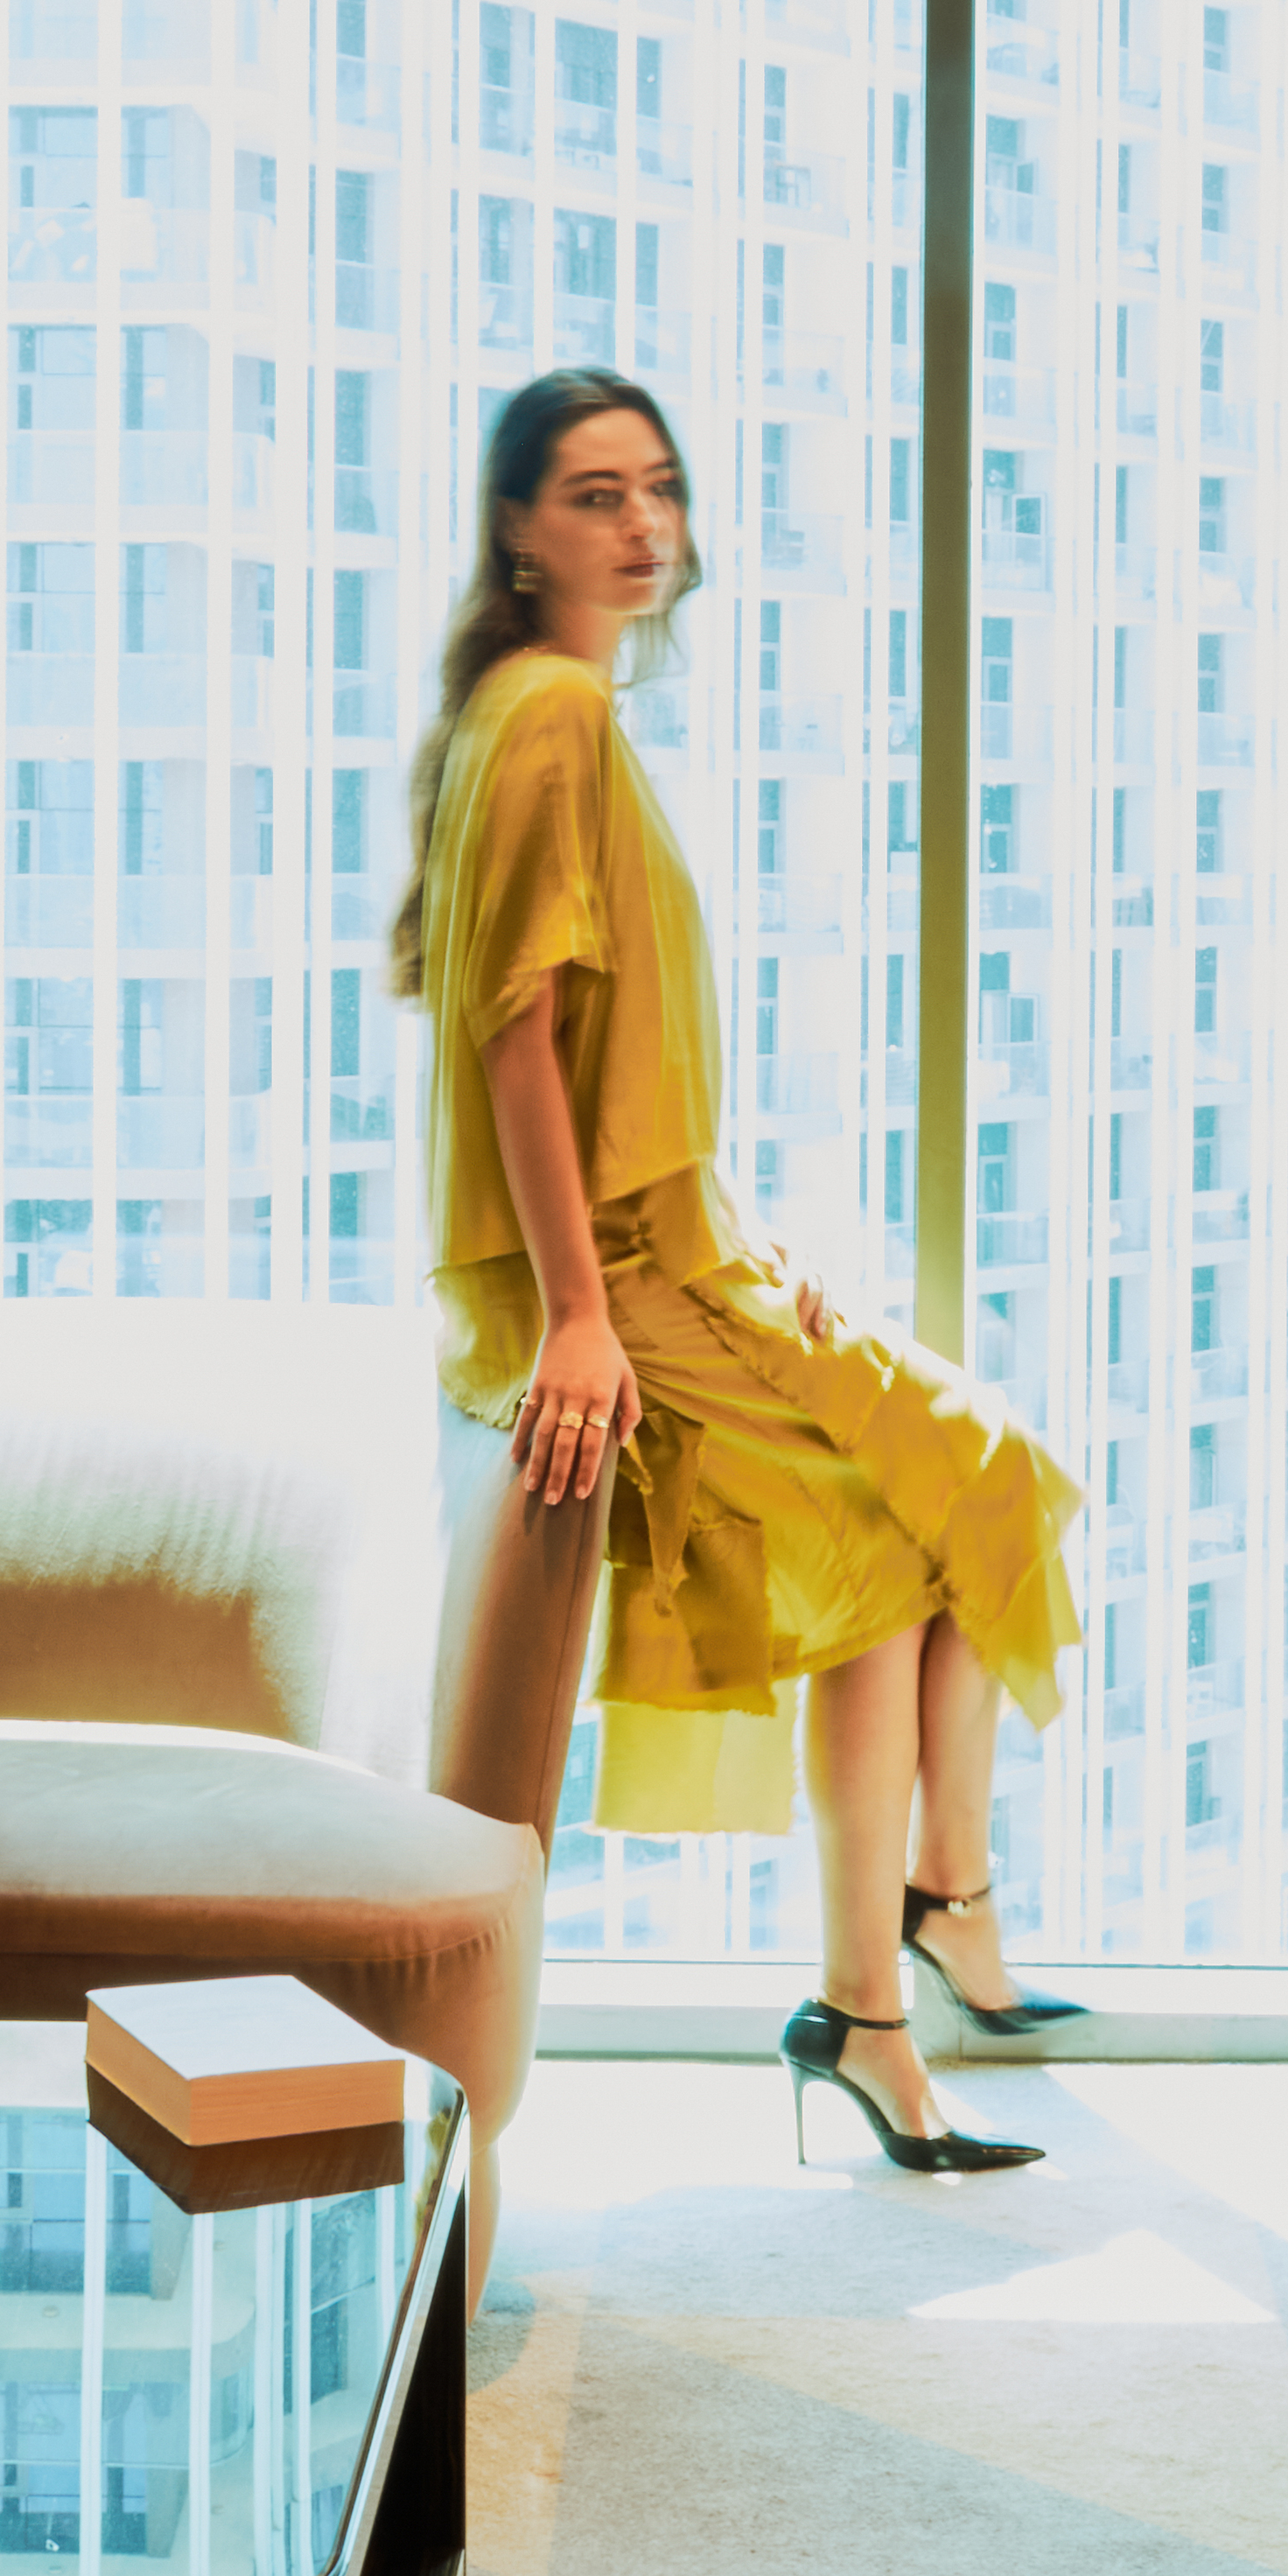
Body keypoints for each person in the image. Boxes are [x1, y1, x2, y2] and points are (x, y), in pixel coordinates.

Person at [390, 368, 1088, 2174]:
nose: (640, 528)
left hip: (676, 1243)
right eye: (594, 495)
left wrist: (732, 1241)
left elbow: (607, 1057)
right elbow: (512, 1035)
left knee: (974, 1466)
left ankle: (930, 1922)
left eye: (658, 492)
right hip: (613, 1278)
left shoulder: (540, 714)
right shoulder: (544, 717)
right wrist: (575, 1313)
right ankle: (885, 1984)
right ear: (516, 530)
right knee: (898, 1539)